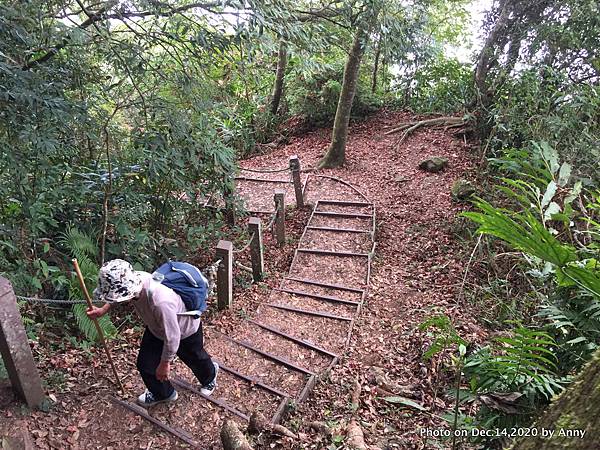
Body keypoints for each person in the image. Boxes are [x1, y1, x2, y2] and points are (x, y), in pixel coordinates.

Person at [87, 259, 218, 407]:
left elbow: (173, 337)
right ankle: (163, 393)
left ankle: (210, 377)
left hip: (185, 329)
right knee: (146, 364)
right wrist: (103, 309)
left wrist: (165, 363)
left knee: (195, 357)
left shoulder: (160, 302)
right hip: (157, 328)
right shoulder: (136, 281)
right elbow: (120, 292)